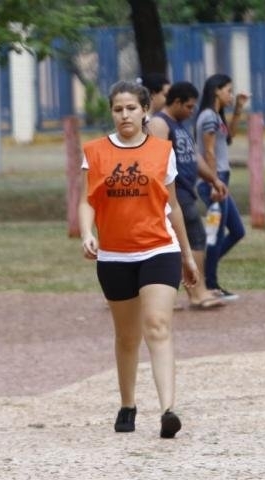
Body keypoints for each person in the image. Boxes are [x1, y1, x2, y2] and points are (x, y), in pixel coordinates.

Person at [78, 80, 197, 438]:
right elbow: (87, 200)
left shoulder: (162, 151)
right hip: (114, 255)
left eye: (131, 108)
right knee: (127, 336)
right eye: (118, 109)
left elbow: (172, 206)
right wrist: (87, 233)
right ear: (111, 113)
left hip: (159, 248)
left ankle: (168, 410)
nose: (124, 115)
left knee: (158, 325)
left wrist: (188, 256)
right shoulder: (96, 152)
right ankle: (128, 403)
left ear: (145, 110)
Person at [148, 81, 228, 310]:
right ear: (176, 102)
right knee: (193, 239)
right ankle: (196, 291)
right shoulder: (159, 124)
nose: (192, 111)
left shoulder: (180, 125)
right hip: (174, 192)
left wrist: (213, 178)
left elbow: (193, 157)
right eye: (189, 107)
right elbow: (156, 161)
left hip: (186, 190)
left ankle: (185, 292)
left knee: (190, 240)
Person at [195, 73, 249, 301]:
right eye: (228, 90)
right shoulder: (208, 116)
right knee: (215, 234)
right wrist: (214, 182)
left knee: (237, 231)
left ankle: (203, 270)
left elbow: (229, 138)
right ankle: (210, 283)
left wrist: (238, 109)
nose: (230, 94)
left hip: (220, 180)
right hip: (213, 182)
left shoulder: (216, 116)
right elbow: (208, 151)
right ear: (216, 90)